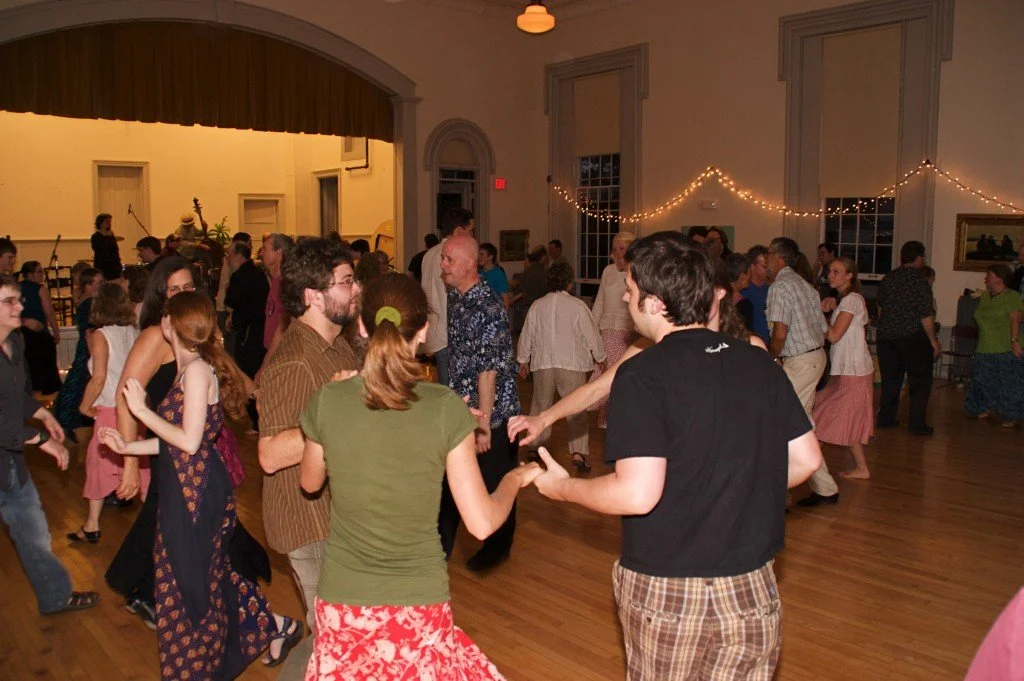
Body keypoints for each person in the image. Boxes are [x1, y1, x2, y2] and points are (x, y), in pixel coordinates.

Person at [530, 232, 822, 681]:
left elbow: (637, 493)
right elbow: (805, 461)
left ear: (654, 301)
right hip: (752, 587)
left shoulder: (643, 374)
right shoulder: (758, 361)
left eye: (630, 291)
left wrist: (561, 488)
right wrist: (731, 489)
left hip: (670, 590)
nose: (626, 299)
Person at [299, 273, 539, 680]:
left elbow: (309, 482)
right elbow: (481, 522)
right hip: (418, 607)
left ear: (361, 326)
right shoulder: (445, 408)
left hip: (343, 603)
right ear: (424, 331)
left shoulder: (329, 399)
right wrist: (515, 477)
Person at [100, 292, 303, 677]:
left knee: (187, 587)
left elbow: (190, 440)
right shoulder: (188, 369)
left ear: (166, 325)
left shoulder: (196, 371)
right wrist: (128, 445)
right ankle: (271, 627)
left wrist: (142, 411)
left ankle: (197, 669)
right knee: (205, 577)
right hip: (185, 486)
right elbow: (175, 440)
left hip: (196, 494)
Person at [105, 257, 270, 630]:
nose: (181, 295)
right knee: (175, 528)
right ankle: (158, 593)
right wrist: (129, 460)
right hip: (171, 444)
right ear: (160, 295)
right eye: (174, 289)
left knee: (189, 530)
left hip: (185, 447)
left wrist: (255, 390)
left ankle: (168, 595)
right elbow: (125, 396)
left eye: (188, 288)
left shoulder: (194, 337)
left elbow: (223, 364)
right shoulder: (156, 336)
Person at [508, 273, 767, 450]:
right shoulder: (650, 343)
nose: (625, 297)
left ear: (720, 293)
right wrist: (544, 418)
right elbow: (596, 389)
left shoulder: (749, 348)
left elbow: (775, 435)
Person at [257, 239, 361, 633]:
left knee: (336, 636)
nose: (357, 290)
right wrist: (336, 414)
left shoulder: (337, 347)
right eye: (347, 282)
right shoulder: (295, 361)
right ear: (314, 296)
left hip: (338, 514)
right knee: (333, 637)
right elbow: (269, 454)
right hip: (310, 525)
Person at [0, 273, 100, 614]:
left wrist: (43, 416)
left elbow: (17, 398)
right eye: (8, 301)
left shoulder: (14, 344)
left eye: (18, 299)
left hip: (10, 463)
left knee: (34, 532)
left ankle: (56, 597)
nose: (19, 306)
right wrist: (40, 439)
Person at [439, 234, 521, 571]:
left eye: (449, 260)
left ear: (470, 264)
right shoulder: (456, 298)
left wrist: (483, 425)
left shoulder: (487, 306)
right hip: (463, 410)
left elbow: (488, 372)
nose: (442, 265)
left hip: (494, 416)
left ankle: (497, 547)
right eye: (443, 258)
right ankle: (439, 546)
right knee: (449, 479)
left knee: (497, 480)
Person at [766, 237, 839, 508]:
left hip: (800, 361)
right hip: (815, 358)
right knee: (801, 425)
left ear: (779, 257)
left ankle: (780, 493)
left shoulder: (781, 287)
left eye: (769, 254)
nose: (767, 260)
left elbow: (780, 332)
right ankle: (825, 488)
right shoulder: (806, 286)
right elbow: (822, 328)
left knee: (782, 422)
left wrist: (771, 357)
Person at [68, 283, 142, 542]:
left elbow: (98, 378)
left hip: (111, 409)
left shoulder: (102, 335)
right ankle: (92, 524)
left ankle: (92, 525)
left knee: (99, 466)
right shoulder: (133, 331)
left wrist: (83, 406)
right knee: (139, 467)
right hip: (134, 410)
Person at [517, 262, 605, 473]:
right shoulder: (578, 306)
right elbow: (591, 334)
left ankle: (535, 447)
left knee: (540, 406)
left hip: (544, 363)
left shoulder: (537, 305)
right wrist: (600, 356)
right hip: (572, 364)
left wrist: (522, 360)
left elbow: (527, 333)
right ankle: (579, 453)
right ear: (569, 283)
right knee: (575, 409)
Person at [813, 257, 875, 480]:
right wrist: (830, 309)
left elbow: (834, 335)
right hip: (848, 370)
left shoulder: (852, 300)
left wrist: (818, 313)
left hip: (854, 372)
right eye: (830, 271)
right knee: (834, 416)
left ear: (850, 275)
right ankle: (861, 468)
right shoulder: (847, 301)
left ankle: (807, 467)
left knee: (823, 416)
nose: (830, 275)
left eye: (837, 272)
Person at [876, 240, 941, 435]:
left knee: (890, 380)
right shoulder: (919, 280)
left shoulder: (889, 278)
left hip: (887, 337)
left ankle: (886, 419)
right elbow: (926, 314)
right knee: (920, 382)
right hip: (912, 337)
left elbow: (880, 309)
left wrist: (889, 326)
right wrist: (933, 340)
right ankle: (917, 424)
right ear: (919, 258)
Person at [963, 264, 1024, 427]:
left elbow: (1015, 319)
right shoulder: (984, 297)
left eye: (988, 275)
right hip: (984, 346)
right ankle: (986, 407)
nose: (985, 278)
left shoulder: (1012, 296)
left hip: (1005, 346)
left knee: (1008, 383)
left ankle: (1011, 415)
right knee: (983, 380)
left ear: (999, 277)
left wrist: (1015, 342)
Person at [587, 231, 637, 427]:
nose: (617, 253)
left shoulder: (637, 271)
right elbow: (599, 302)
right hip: (608, 330)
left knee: (624, 377)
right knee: (607, 374)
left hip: (631, 332)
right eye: (615, 249)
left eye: (622, 248)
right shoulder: (608, 271)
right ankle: (606, 416)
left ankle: (621, 417)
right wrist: (591, 330)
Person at [421, 207, 475, 385]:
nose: (473, 235)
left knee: (447, 387)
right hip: (449, 332)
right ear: (459, 231)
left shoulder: (429, 254)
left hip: (436, 330)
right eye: (471, 230)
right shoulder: (453, 255)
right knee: (453, 392)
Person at [51, 267, 104, 441]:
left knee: (77, 383)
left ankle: (68, 419)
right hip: (88, 346)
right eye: (99, 282)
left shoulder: (86, 299)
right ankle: (65, 420)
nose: (102, 285)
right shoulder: (89, 302)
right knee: (77, 383)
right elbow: (90, 328)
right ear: (88, 285)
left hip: (86, 345)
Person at [225, 240, 270, 432]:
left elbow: (231, 303)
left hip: (250, 332)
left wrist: (232, 317)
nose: (227, 257)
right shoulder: (257, 273)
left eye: (229, 254)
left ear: (239, 255)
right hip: (260, 330)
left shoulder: (241, 276)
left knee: (248, 372)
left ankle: (255, 420)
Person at [18, 261, 62, 394]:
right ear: (30, 274)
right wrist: (56, 331)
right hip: (38, 332)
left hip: (22, 332)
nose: (42, 274)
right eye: (39, 271)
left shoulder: (16, 287)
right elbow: (49, 311)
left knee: (29, 367)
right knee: (46, 367)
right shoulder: (41, 289)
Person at [261, 233, 295, 362]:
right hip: (272, 351)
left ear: (278, 253)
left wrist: (265, 364)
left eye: (265, 248)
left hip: (281, 355)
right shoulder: (275, 281)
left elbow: (282, 328)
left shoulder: (285, 284)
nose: (261, 253)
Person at [742, 245, 772, 345]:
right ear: (752, 266)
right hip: (750, 344)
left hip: (769, 344)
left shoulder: (772, 289)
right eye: (764, 266)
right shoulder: (743, 291)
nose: (768, 270)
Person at [724, 252, 754, 333]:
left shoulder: (717, 297)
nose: (751, 278)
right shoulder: (744, 305)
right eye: (749, 273)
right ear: (742, 276)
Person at [513, 245, 548, 311]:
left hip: (526, 307)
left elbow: (521, 288)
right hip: (539, 307)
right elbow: (545, 291)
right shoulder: (543, 271)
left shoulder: (527, 270)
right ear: (543, 256)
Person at [91, 213, 123, 281]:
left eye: (110, 221)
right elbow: (99, 249)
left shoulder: (111, 235)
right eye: (107, 221)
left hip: (114, 266)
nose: (109, 223)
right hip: (102, 266)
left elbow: (115, 249)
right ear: (101, 223)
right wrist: (107, 237)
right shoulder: (96, 236)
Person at [478, 241, 510, 308]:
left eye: (481, 254)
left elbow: (505, 299)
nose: (478, 257)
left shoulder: (498, 273)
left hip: (495, 312)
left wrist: (504, 317)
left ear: (490, 257)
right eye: (478, 254)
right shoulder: (479, 272)